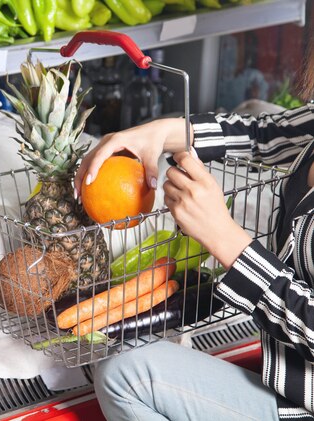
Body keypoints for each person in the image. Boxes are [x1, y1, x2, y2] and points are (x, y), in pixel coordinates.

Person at [74, 46, 314, 420]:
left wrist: (226, 240)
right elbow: (263, 133)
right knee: (123, 368)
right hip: (290, 382)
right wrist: (164, 132)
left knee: (127, 377)